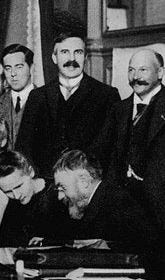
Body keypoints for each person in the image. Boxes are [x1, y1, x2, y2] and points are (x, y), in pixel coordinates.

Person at [90, 48, 165, 276]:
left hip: (162, 219)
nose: (136, 76)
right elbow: (102, 155)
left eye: (143, 69)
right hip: (121, 217)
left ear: (160, 72)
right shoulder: (118, 109)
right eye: (131, 70)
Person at [17, 30, 120, 176]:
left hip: (86, 182)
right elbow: (24, 146)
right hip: (44, 183)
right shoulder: (38, 96)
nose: (72, 59)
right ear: (54, 57)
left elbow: (110, 149)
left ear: (85, 57)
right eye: (65, 52)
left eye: (78, 52)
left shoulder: (107, 95)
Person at [52, 150, 155, 257]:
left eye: (62, 188)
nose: (60, 197)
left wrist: (108, 247)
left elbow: (147, 248)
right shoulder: (102, 200)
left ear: (84, 181)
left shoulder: (117, 204)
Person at [0, 150, 54, 250]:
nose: (16, 196)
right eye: (8, 191)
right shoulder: (5, 202)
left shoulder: (56, 194)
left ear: (31, 172)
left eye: (18, 186)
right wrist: (2, 202)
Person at [0, 44, 35, 149]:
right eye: (8, 68)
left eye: (19, 67)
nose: (13, 73)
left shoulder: (46, 100)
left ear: (31, 68)